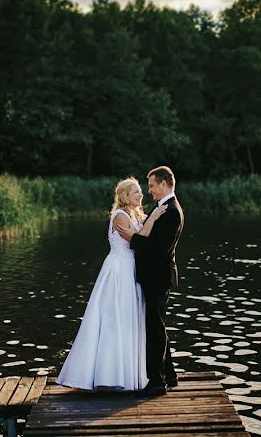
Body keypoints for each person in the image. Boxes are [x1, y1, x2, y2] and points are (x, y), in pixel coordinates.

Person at [56, 177, 167, 391]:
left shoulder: (135, 214)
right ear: (125, 195)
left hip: (130, 269)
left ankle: (128, 373)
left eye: (141, 191)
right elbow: (139, 238)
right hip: (118, 270)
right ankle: (107, 374)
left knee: (128, 318)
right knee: (113, 318)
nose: (141, 195)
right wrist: (152, 218)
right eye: (136, 192)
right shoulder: (119, 216)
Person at [119, 165, 185, 397]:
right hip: (154, 276)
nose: (150, 191)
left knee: (154, 328)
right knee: (158, 326)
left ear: (165, 184)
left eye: (153, 186)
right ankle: (170, 375)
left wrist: (132, 239)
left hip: (158, 277)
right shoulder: (162, 207)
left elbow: (157, 248)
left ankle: (157, 382)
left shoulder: (172, 211)